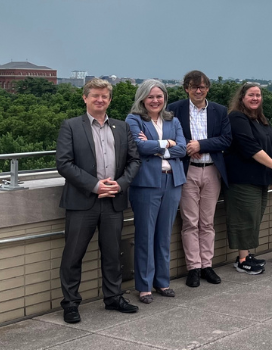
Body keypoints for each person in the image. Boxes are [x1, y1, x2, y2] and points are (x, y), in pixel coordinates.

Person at [55, 78, 140, 324]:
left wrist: (121, 184)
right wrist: (94, 186)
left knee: (113, 253)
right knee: (73, 255)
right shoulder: (71, 126)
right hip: (82, 201)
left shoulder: (121, 127)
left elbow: (135, 161)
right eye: (95, 96)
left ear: (110, 100)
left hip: (114, 200)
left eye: (104, 96)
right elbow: (64, 163)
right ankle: (70, 303)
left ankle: (113, 297)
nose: (100, 100)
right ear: (85, 98)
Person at [166, 70, 230, 288]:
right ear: (186, 88)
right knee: (190, 222)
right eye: (194, 86)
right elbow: (168, 138)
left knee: (207, 222)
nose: (198, 90)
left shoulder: (219, 111)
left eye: (202, 86)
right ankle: (193, 267)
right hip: (187, 170)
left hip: (212, 170)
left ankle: (206, 265)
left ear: (208, 88)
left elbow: (226, 139)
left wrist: (201, 145)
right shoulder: (175, 109)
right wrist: (186, 148)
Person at [125, 80, 187, 304]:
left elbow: (182, 148)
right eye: (150, 97)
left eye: (159, 96)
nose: (155, 101)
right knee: (145, 235)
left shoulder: (173, 120)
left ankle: (162, 281)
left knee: (163, 235)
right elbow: (139, 147)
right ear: (142, 98)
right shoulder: (133, 120)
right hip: (146, 184)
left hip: (172, 182)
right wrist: (168, 144)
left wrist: (159, 145)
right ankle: (144, 286)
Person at [225, 82, 272, 275]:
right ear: (242, 97)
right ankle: (242, 259)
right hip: (243, 178)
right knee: (245, 218)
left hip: (261, 177)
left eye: (258, 95)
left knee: (255, 218)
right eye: (251, 95)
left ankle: (247, 254)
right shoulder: (237, 118)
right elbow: (251, 147)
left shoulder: (260, 119)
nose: (255, 98)